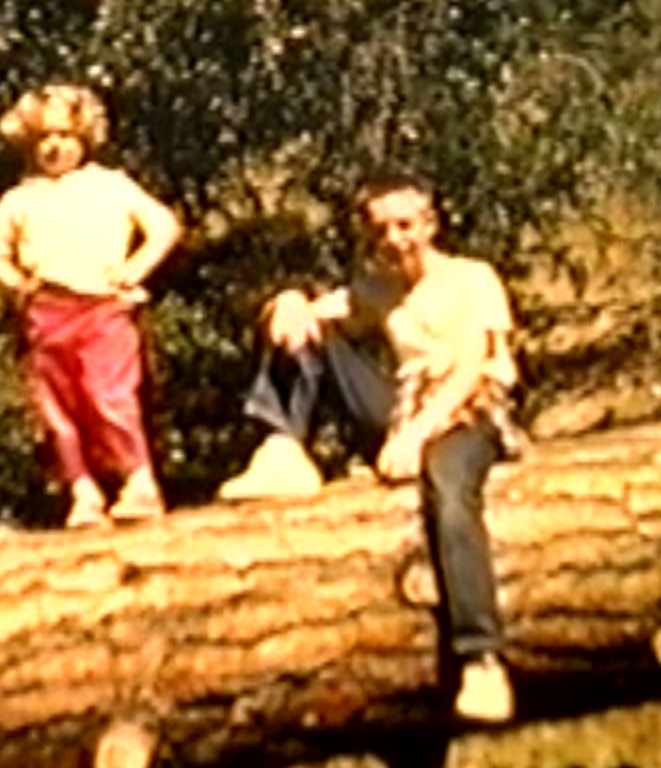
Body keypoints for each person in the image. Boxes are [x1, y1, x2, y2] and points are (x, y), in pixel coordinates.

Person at [218, 170, 523, 722]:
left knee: (450, 491)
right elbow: (311, 318)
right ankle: (284, 446)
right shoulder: (379, 289)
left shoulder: (471, 278)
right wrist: (287, 302)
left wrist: (416, 435)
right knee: (307, 328)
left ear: (430, 223)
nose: (394, 239)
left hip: (468, 410)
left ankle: (482, 658)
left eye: (404, 225)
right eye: (381, 229)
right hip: (406, 409)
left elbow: (470, 370)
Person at [0, 84, 181, 529]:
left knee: (111, 396)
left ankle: (139, 481)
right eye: (43, 137)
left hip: (103, 308)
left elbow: (164, 226)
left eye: (65, 135)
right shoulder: (20, 198)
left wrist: (134, 269)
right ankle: (83, 492)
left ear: (86, 137)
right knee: (60, 410)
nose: (54, 146)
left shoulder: (110, 185)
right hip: (48, 312)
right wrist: (18, 284)